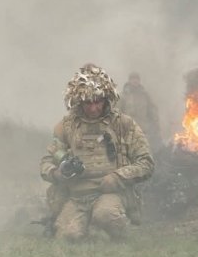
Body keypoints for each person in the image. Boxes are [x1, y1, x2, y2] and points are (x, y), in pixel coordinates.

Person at [40, 64, 155, 241]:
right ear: (79, 101)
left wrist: (118, 177)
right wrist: (57, 173)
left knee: (106, 215)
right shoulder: (67, 126)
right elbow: (46, 161)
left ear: (107, 99)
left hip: (111, 193)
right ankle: (88, 228)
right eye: (88, 103)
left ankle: (119, 233)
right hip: (77, 196)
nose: (94, 108)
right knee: (68, 236)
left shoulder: (123, 124)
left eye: (98, 102)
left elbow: (146, 163)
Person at [119, 72, 162, 148]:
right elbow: (117, 113)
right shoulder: (123, 96)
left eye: (137, 79)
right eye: (133, 79)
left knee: (143, 152)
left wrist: (156, 125)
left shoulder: (145, 95)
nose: (135, 81)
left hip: (143, 131)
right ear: (129, 81)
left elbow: (152, 111)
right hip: (127, 131)